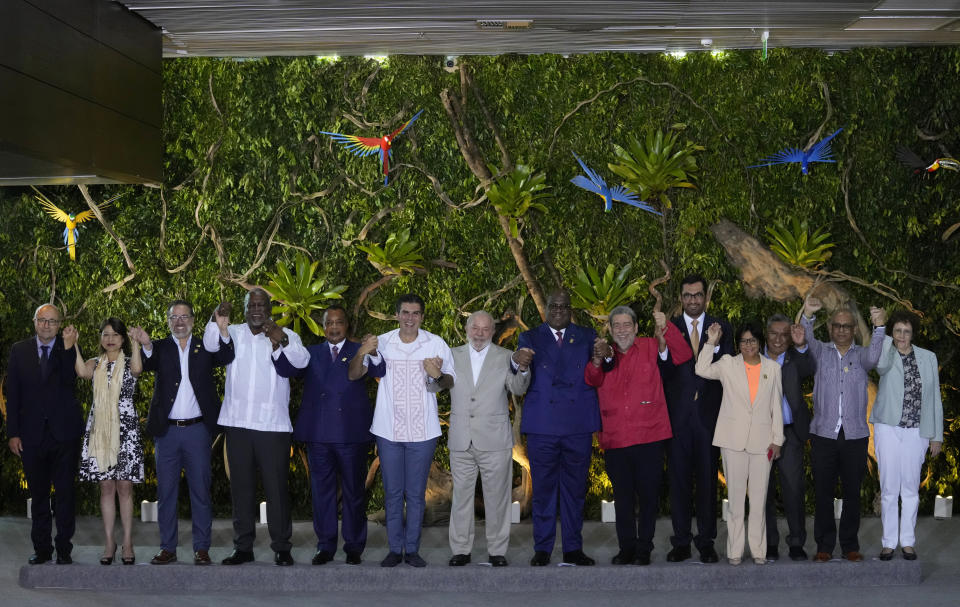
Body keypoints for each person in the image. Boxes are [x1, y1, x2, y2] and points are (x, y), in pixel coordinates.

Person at [204, 288, 309, 566]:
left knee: (276, 490)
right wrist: (217, 320)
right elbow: (211, 345)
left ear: (270, 309)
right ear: (246, 308)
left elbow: (302, 361)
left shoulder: (285, 333)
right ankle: (243, 548)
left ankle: (282, 547)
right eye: (252, 304)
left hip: (272, 426)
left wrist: (282, 339)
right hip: (237, 424)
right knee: (241, 489)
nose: (257, 309)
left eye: (262, 305)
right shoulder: (234, 332)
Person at [585, 305, 692, 566]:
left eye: (627, 325)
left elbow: (683, 354)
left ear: (635, 328)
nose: (622, 330)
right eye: (617, 325)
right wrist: (597, 360)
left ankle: (644, 548)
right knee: (622, 499)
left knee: (647, 498)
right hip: (616, 438)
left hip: (650, 437)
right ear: (610, 329)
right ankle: (626, 548)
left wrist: (665, 326)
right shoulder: (603, 350)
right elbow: (592, 379)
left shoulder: (649, 346)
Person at [354, 293, 455, 568]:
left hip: (423, 432)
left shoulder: (435, 343)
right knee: (393, 493)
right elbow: (357, 373)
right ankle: (394, 549)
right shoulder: (382, 342)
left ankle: (412, 549)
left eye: (416, 313)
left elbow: (449, 382)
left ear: (422, 317)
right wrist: (364, 349)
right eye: (405, 313)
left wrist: (436, 373)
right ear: (397, 315)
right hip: (388, 430)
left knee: (415, 493)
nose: (410, 318)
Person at [278, 305, 383, 566]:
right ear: (323, 327)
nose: (334, 328)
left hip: (351, 434)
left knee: (353, 492)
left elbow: (378, 371)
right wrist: (276, 346)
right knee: (321, 492)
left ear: (347, 325)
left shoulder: (360, 350)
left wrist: (374, 351)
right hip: (319, 435)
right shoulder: (310, 353)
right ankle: (324, 546)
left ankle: (354, 546)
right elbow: (287, 369)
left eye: (339, 322)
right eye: (329, 323)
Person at [133, 300, 234, 566]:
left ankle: (202, 548)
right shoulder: (160, 347)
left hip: (198, 431)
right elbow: (147, 361)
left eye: (184, 316)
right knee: (166, 493)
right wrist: (144, 343)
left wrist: (223, 331)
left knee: (201, 491)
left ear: (193, 319)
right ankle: (168, 547)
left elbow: (226, 357)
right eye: (174, 317)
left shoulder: (206, 346)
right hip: (166, 433)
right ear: (168, 321)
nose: (179, 321)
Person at [518, 289, 599, 567]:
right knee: (543, 489)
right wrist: (521, 365)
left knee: (575, 490)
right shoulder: (530, 338)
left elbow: (600, 369)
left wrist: (605, 357)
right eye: (554, 305)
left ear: (570, 309)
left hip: (577, 424)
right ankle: (542, 548)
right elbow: (521, 375)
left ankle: (573, 549)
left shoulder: (587, 336)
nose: (559, 310)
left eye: (564, 306)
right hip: (543, 425)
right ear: (546, 308)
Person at [801, 296, 885, 563]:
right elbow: (805, 339)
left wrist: (880, 327)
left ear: (854, 330)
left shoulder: (862, 356)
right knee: (823, 492)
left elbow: (875, 357)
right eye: (837, 325)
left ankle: (849, 545)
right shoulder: (820, 352)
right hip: (824, 434)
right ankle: (824, 545)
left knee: (851, 492)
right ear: (830, 328)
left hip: (855, 435)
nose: (841, 329)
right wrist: (808, 315)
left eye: (847, 326)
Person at [695, 320, 784, 565]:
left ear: (760, 343)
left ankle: (758, 551)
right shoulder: (727, 364)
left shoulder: (773, 368)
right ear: (738, 343)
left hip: (763, 443)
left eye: (753, 341)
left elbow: (776, 406)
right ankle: (734, 551)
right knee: (735, 502)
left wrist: (778, 440)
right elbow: (701, 369)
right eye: (744, 341)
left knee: (758, 500)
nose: (748, 345)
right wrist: (711, 342)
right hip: (732, 441)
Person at [447, 310, 531, 567]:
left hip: (495, 440)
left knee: (498, 498)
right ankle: (460, 549)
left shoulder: (506, 357)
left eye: (485, 329)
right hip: (461, 439)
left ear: (493, 332)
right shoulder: (451, 355)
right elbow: (436, 384)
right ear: (467, 329)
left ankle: (497, 551)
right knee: (461, 498)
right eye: (475, 328)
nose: (480, 334)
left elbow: (518, 388)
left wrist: (523, 368)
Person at [6, 304, 83, 565]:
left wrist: (70, 348)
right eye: (42, 320)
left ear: (60, 324)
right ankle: (42, 549)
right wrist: (13, 433)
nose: (46, 325)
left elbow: (68, 382)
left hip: (64, 435)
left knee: (65, 495)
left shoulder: (68, 346)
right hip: (31, 436)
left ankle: (63, 549)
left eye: (52, 321)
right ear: (34, 321)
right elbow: (13, 394)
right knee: (38, 496)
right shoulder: (19, 350)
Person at [663, 275, 733, 564]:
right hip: (677, 418)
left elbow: (727, 365)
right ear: (680, 298)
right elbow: (662, 369)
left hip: (709, 417)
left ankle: (706, 542)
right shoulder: (668, 328)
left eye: (698, 295)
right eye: (687, 295)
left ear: (706, 297)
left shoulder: (722, 327)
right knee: (678, 483)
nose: (693, 300)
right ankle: (680, 542)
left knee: (707, 483)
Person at [68, 318, 144, 565]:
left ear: (122, 338)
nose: (109, 339)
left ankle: (128, 542)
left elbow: (137, 370)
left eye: (115, 335)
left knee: (124, 487)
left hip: (125, 430)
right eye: (105, 334)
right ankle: (110, 542)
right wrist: (75, 346)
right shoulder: (95, 363)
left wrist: (136, 343)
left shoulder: (130, 360)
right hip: (100, 429)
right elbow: (81, 372)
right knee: (106, 487)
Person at [870, 310, 943, 561]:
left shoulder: (928, 358)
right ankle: (889, 542)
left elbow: (934, 398)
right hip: (887, 428)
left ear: (913, 333)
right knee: (889, 488)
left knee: (910, 488)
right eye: (898, 330)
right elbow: (879, 366)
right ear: (892, 331)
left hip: (916, 431)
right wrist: (880, 328)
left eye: (907, 331)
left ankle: (908, 542)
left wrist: (936, 436)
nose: (902, 335)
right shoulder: (886, 352)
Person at [763, 314, 815, 561]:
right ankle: (769, 543)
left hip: (790, 431)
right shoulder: (753, 357)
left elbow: (809, 367)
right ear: (766, 334)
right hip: (759, 434)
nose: (779, 339)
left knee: (793, 489)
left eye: (785, 334)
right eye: (774, 333)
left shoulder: (796, 359)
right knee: (764, 491)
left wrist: (802, 344)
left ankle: (796, 543)